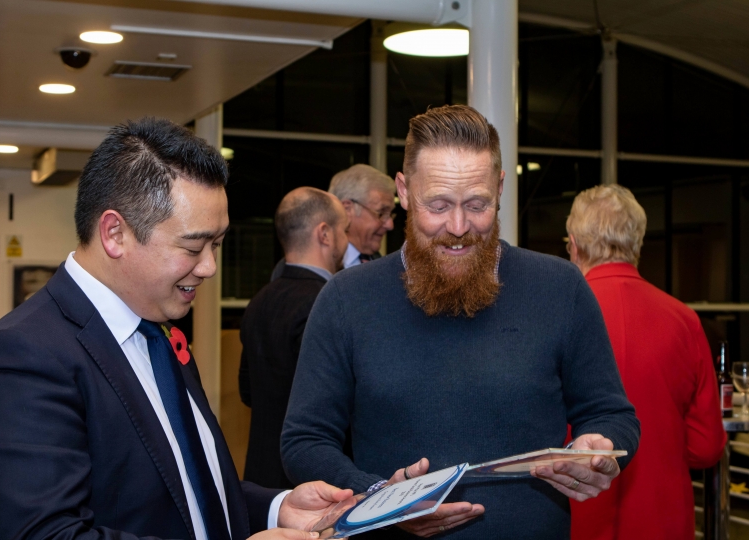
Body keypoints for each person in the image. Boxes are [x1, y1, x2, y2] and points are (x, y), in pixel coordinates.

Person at [0, 118, 353, 540]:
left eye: (215, 245)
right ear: (115, 234)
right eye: (192, 247)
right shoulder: (22, 356)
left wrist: (275, 509)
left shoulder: (157, 330)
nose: (209, 267)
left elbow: (182, 489)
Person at [281, 105, 641, 539]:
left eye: (477, 204)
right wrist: (380, 498)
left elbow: (611, 412)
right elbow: (304, 440)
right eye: (438, 205)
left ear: (501, 188)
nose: (457, 227)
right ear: (404, 191)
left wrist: (599, 449)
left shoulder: (560, 288)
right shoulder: (346, 298)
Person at [565, 185, 725, 540]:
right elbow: (705, 446)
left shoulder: (555, 315)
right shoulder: (685, 320)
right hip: (664, 519)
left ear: (574, 246)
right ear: (637, 244)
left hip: (576, 517)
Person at [240, 187, 349, 489]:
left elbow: (247, 392)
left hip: (260, 478)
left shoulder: (259, 300)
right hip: (309, 483)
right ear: (325, 234)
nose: (347, 240)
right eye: (345, 230)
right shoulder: (327, 304)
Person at [329, 164, 396, 268]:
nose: (390, 225)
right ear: (347, 210)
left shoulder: (385, 267)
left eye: (390, 214)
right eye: (381, 213)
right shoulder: (325, 267)